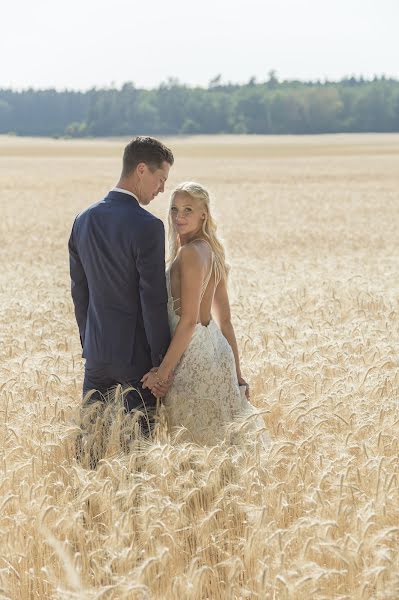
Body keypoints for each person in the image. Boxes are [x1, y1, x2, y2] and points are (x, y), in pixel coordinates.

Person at [68, 136, 174, 464]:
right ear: (141, 170)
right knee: (136, 459)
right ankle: (133, 516)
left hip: (97, 356)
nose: (161, 189)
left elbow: (79, 290)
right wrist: (161, 363)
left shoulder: (83, 220)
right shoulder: (148, 226)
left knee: (89, 455)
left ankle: (88, 515)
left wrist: (90, 343)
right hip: (139, 363)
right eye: (160, 179)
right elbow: (152, 300)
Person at [142, 182, 270, 449]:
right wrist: (237, 374)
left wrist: (162, 375)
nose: (180, 216)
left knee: (195, 444)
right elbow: (224, 322)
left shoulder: (189, 253)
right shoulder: (212, 251)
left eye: (189, 209)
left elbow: (188, 322)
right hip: (217, 354)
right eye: (175, 209)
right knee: (220, 442)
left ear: (204, 214)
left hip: (192, 358)